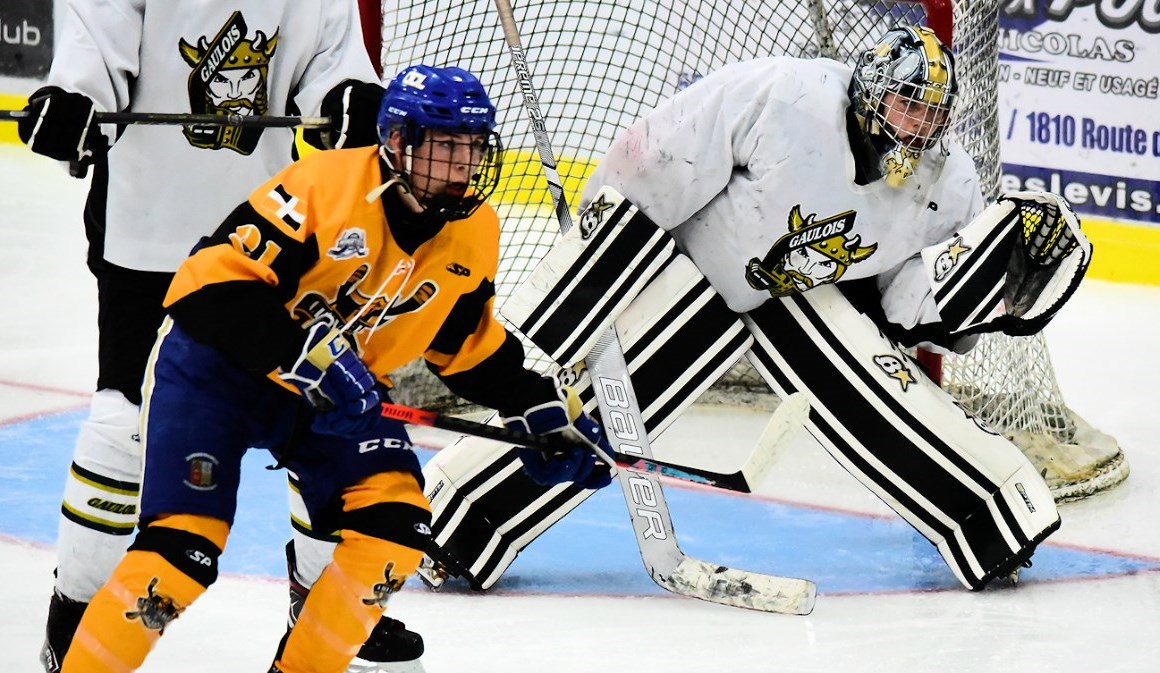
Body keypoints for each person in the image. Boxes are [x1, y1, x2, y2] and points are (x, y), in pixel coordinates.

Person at [415, 26, 1091, 593]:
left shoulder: (947, 185)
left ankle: (991, 515)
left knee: (881, 390)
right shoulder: (784, 95)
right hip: (685, 272)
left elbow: (909, 304)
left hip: (791, 297)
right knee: (575, 415)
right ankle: (451, 524)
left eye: (928, 115)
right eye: (903, 104)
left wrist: (995, 296)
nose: (913, 126)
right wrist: (597, 282)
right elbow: (651, 164)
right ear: (867, 91)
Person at [56, 63, 612, 673]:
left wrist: (537, 407)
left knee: (394, 530)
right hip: (216, 372)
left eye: (475, 146)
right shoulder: (323, 187)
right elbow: (207, 289)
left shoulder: (474, 229)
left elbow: (462, 342)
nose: (465, 164)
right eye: (448, 145)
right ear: (398, 142)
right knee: (182, 551)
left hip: (332, 395)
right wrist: (300, 357)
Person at [13, 2, 411, 671]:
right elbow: (95, 52)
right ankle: (75, 618)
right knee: (123, 426)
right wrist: (72, 102)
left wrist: (345, 98)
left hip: (270, 240)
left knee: (326, 414)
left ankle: (327, 602)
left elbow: (330, 61)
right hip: (147, 237)